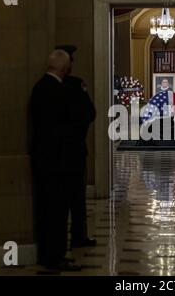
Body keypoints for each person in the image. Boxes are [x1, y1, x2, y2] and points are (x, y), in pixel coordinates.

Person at [30, 49, 81, 271]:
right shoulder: (54, 90)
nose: (71, 67)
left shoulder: (41, 87)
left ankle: (52, 254)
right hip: (56, 162)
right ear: (63, 66)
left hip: (47, 160)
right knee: (55, 212)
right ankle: (53, 257)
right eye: (69, 64)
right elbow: (65, 125)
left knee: (51, 211)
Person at [56, 44, 97, 249]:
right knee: (76, 198)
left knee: (66, 199)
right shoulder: (74, 84)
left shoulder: (57, 85)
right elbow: (90, 113)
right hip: (74, 150)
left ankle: (66, 240)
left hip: (61, 150)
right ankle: (77, 236)